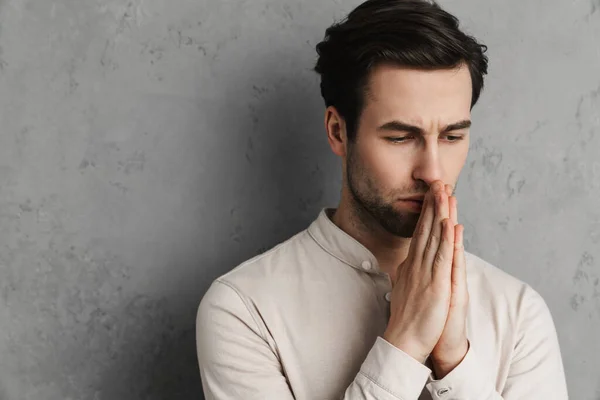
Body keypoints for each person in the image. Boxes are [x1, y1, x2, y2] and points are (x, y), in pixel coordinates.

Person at [195, 0, 569, 398]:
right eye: (401, 137)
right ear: (338, 132)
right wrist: (405, 343)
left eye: (452, 136)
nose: (433, 170)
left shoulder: (519, 312)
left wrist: (455, 363)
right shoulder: (245, 310)